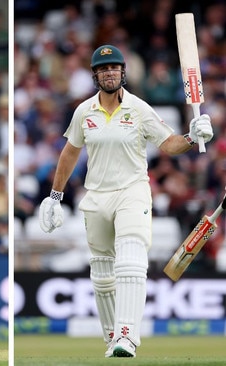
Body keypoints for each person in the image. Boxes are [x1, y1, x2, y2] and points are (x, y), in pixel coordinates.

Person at [38, 44, 214, 358]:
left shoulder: (139, 108)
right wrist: (55, 195)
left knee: (131, 261)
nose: (109, 73)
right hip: (97, 197)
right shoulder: (84, 111)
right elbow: (69, 153)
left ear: (123, 72)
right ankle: (111, 337)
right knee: (103, 275)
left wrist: (191, 137)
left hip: (132, 192)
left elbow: (169, 144)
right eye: (103, 69)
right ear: (95, 75)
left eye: (114, 68)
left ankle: (127, 336)